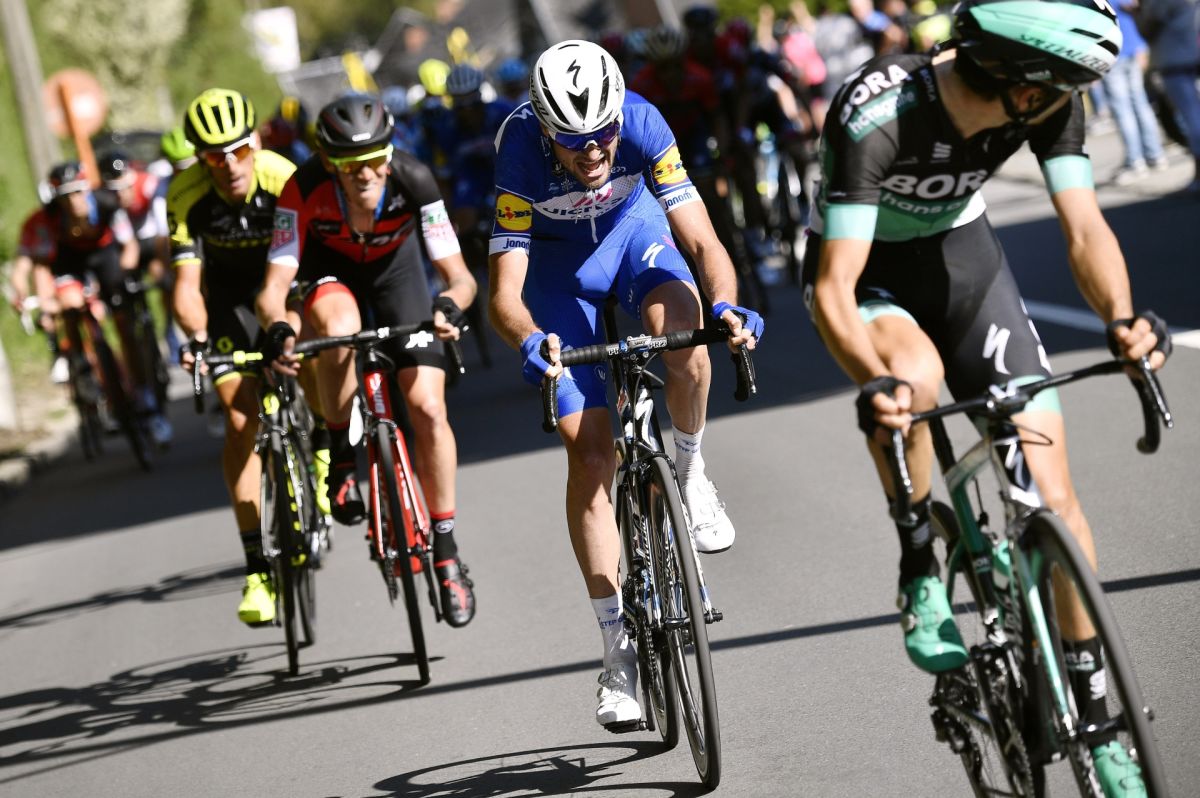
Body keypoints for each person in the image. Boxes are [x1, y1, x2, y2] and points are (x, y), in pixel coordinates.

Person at [802, 1, 1170, 794]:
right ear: (1023, 85)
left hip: (964, 267)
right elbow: (833, 288)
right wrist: (874, 381)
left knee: (1055, 499)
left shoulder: (1047, 104)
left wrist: (1122, 320)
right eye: (1065, 87)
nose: (1072, 100)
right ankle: (918, 563)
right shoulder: (879, 112)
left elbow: (1085, 227)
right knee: (913, 380)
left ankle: (1098, 721)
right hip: (868, 278)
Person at [488, 40, 762, 728]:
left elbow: (702, 242)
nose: (593, 151)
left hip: (633, 237)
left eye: (602, 134)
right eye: (573, 140)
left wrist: (727, 305)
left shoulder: (641, 122)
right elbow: (505, 292)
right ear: (544, 128)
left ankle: (690, 470)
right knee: (590, 455)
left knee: (686, 336)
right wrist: (528, 338)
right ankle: (616, 648)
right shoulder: (518, 147)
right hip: (558, 276)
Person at [258, 93, 479, 628]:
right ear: (328, 161)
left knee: (428, 409)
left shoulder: (414, 179)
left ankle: (447, 551)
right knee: (338, 329)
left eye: (375, 158)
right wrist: (280, 326)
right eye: (350, 163)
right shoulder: (302, 188)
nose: (365, 173)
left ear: (389, 152)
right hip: (331, 276)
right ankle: (339, 453)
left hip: (398, 278)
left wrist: (450, 305)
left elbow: (460, 276)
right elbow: (273, 287)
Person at [167, 88, 314, 625]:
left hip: (286, 286)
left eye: (239, 150)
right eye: (214, 157)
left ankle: (322, 446)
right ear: (199, 159)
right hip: (228, 302)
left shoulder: (282, 176)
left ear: (255, 142)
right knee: (237, 420)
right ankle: (257, 569)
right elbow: (187, 285)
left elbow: (309, 261)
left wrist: (291, 320)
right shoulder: (184, 194)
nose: (229, 165)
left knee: (308, 352)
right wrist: (196, 337)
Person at [25, 162, 172, 446]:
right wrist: (45, 302)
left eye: (78, 192)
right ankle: (80, 363)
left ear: (87, 189)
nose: (74, 201)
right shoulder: (50, 217)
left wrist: (123, 279)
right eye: (65, 196)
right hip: (70, 262)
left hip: (105, 257)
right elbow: (42, 265)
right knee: (69, 305)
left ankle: (143, 395)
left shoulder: (107, 203)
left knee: (125, 325)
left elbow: (129, 248)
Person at [1104, 1, 1169, 184]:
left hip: (1113, 55)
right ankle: (1155, 155)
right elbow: (1134, 10)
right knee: (1140, 104)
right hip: (1132, 50)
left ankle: (1135, 162)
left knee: (1123, 110)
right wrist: (1141, 46)